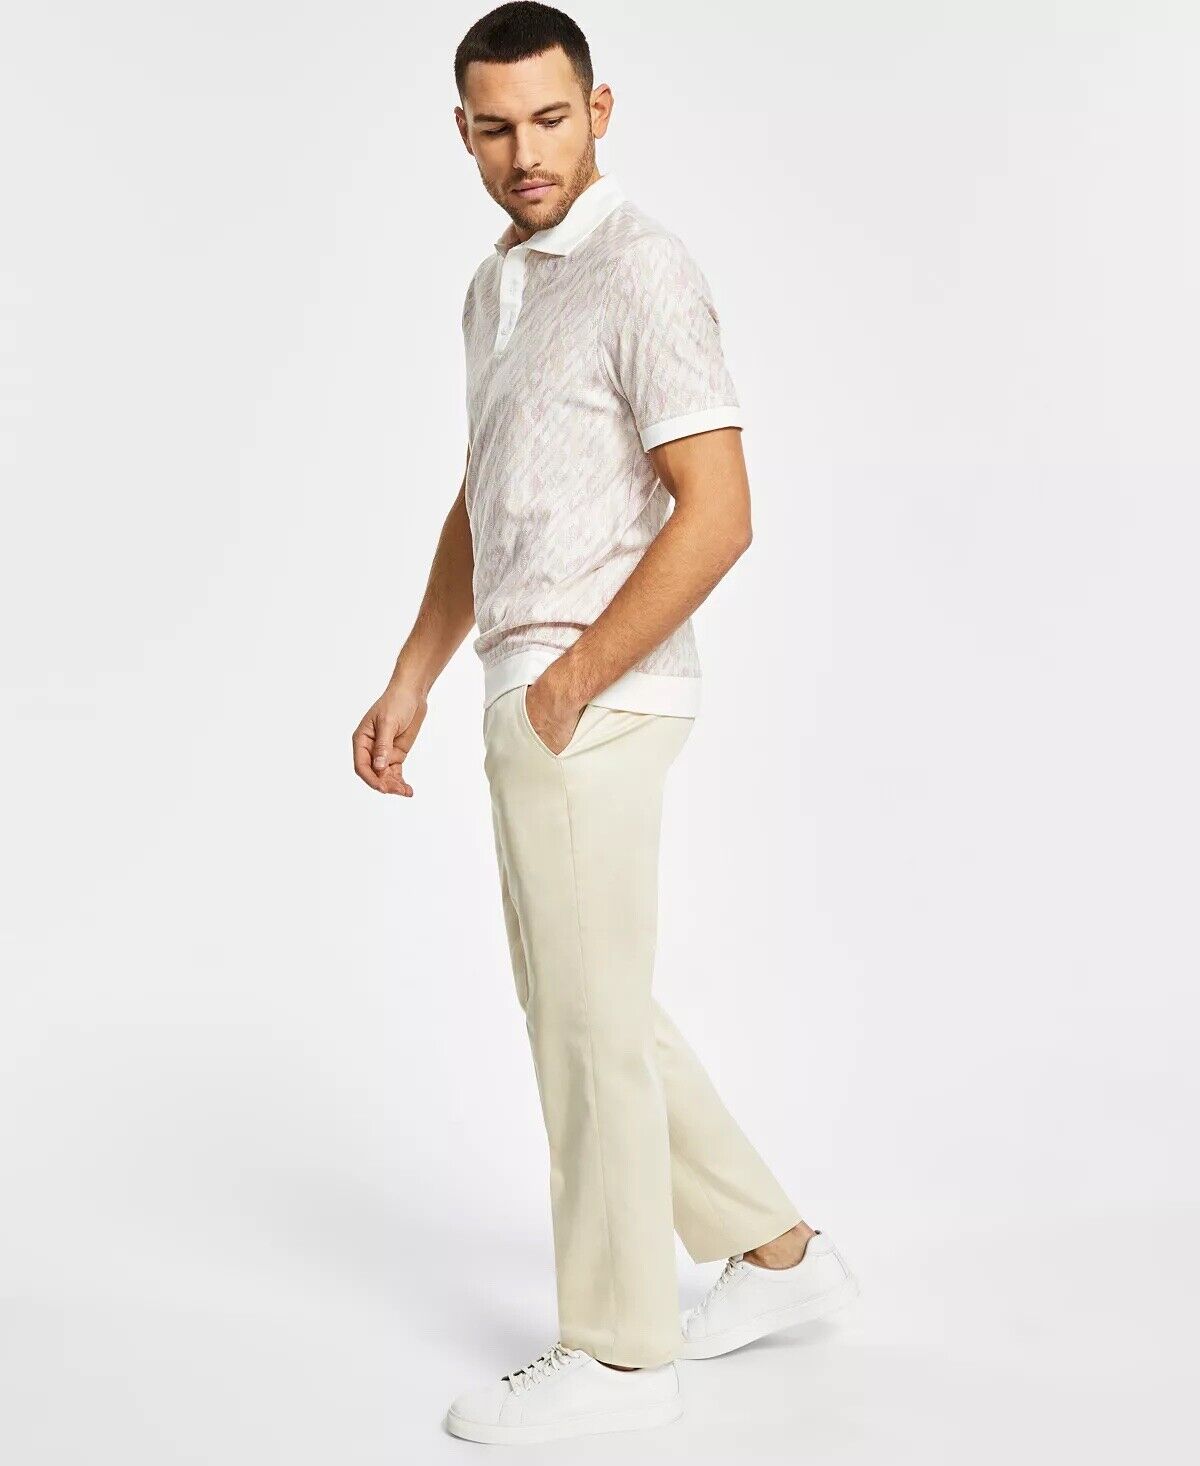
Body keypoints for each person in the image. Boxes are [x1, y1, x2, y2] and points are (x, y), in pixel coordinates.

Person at [352, 2, 859, 1444]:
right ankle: (781, 1257)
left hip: (598, 695)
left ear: (601, 110)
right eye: (496, 127)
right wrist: (415, 671)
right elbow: (484, 496)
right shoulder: (494, 292)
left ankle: (623, 1353)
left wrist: (574, 679)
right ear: (463, 134)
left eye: (551, 118)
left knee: (581, 1020)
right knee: (592, 1006)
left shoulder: (642, 268)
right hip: (527, 689)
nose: (526, 151)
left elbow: (722, 510)